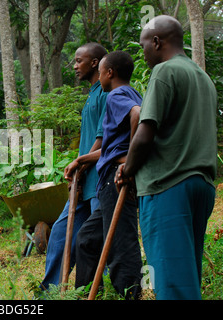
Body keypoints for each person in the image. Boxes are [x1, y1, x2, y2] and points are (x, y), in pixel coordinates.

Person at [115, 15, 217, 300]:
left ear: (157, 42)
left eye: (144, 44)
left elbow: (146, 133)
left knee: (171, 280)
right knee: (186, 273)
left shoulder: (164, 72)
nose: (144, 52)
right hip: (202, 186)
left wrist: (128, 169)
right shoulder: (203, 78)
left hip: (168, 185)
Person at [39, 43, 108, 294]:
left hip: (99, 179)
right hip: (82, 179)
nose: (75, 66)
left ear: (95, 63)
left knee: (98, 239)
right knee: (59, 233)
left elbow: (103, 139)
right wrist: (76, 173)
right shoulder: (91, 94)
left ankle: (101, 289)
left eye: (79, 61)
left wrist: (81, 163)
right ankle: (50, 292)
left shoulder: (106, 92)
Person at [74, 51, 143, 299]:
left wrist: (131, 162)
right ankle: (84, 294)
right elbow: (116, 143)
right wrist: (82, 160)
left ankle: (130, 294)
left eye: (101, 71)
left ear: (109, 73)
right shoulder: (132, 92)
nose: (100, 76)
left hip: (117, 177)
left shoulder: (115, 95)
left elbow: (137, 115)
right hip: (108, 181)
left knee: (121, 244)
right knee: (86, 239)